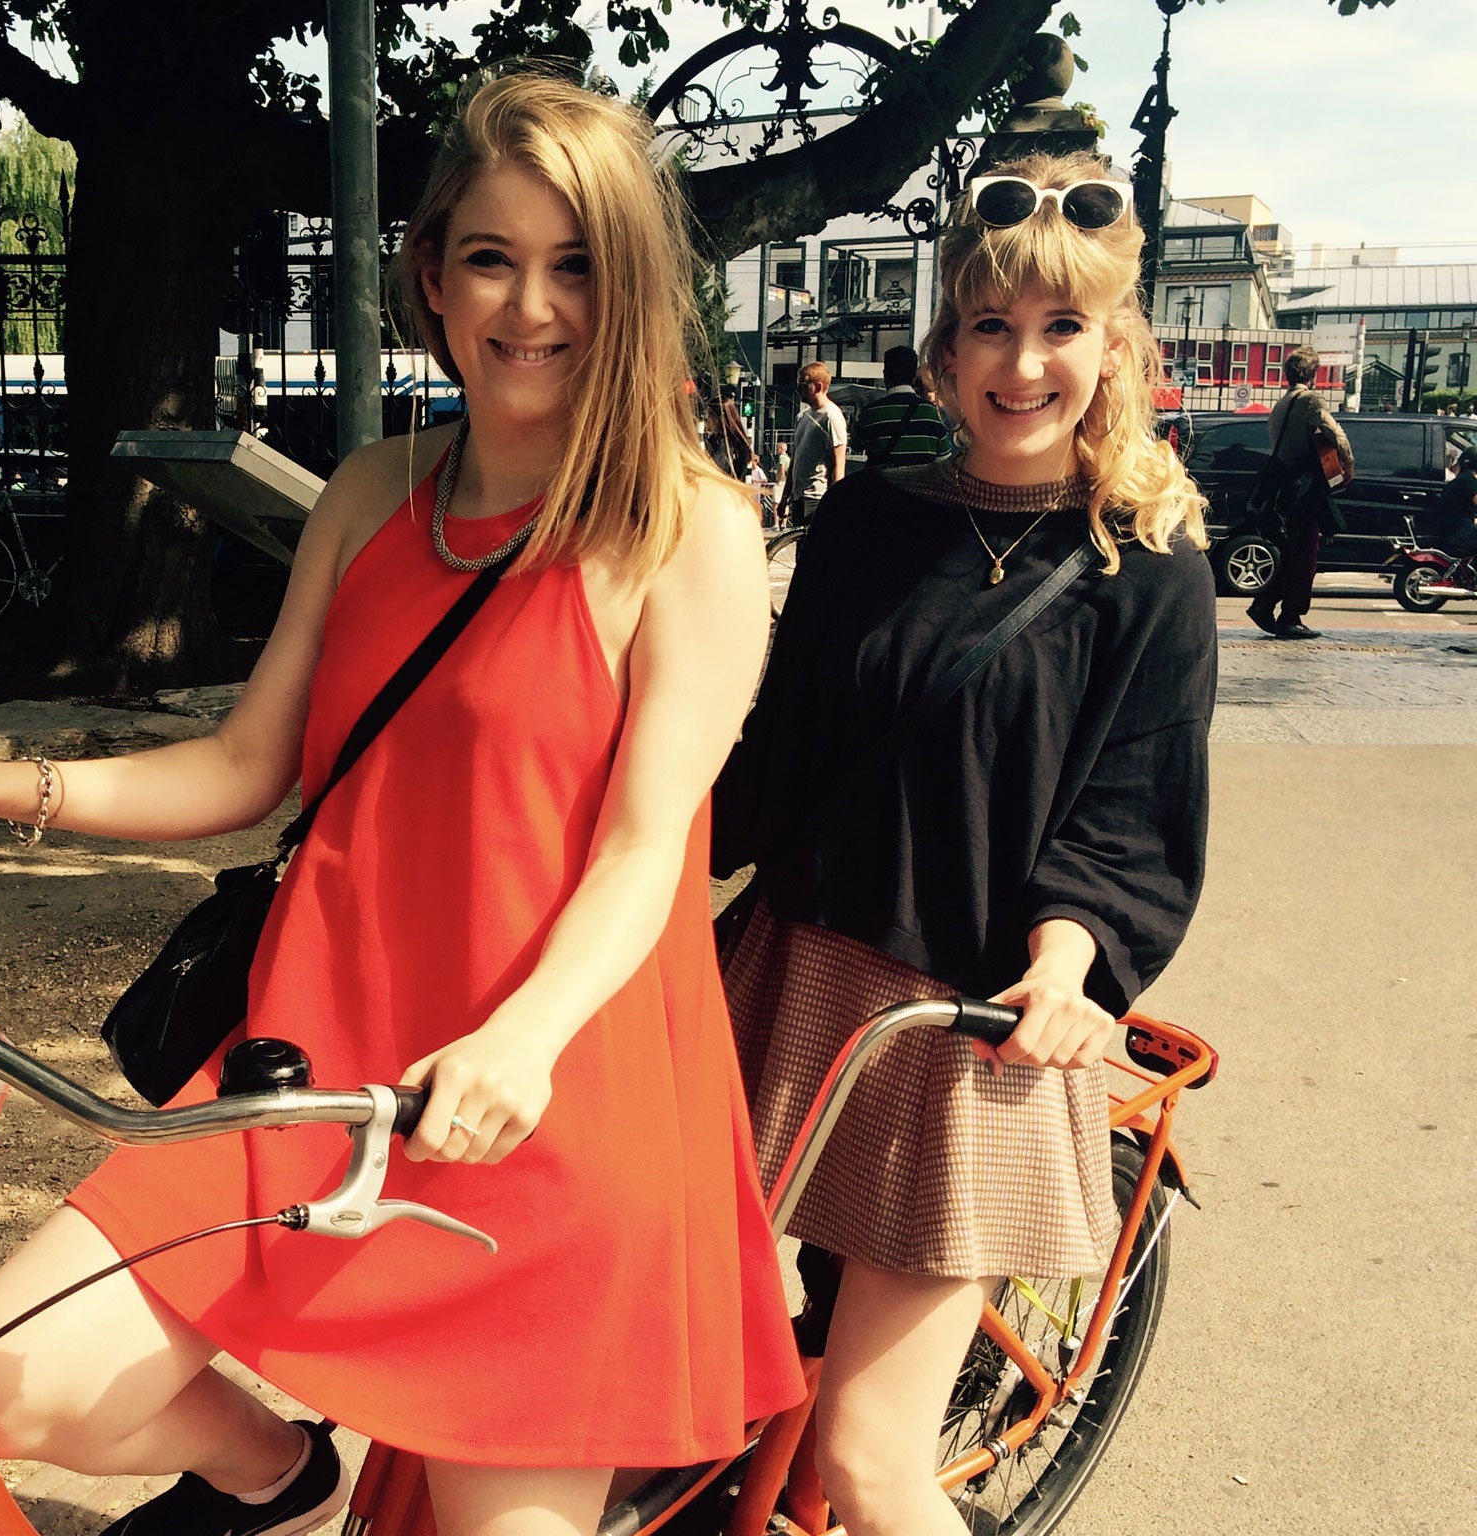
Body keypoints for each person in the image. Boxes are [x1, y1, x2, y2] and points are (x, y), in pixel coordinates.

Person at [0, 70, 801, 1536]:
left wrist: (521, 1041)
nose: (532, 308)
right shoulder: (373, 492)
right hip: (313, 1067)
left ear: (634, 287)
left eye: (578, 267)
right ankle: (281, 1480)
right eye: (493, 257)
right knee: (15, 1377)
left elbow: (642, 849)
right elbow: (247, 768)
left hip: (546, 1102)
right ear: (430, 272)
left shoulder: (693, 533)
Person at [713, 152, 1215, 1536]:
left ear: (1113, 349)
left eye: (1061, 329)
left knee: (875, 1467)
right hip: (796, 988)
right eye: (992, 325)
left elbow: (1132, 809)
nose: (1023, 363)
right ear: (947, 345)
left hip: (977, 1032)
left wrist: (1067, 968)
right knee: (683, 1373)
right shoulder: (872, 519)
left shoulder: (1149, 562)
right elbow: (778, 751)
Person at [1246, 345, 1352, 640]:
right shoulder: (1310, 400)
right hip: (1303, 489)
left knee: (1293, 552)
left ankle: (1266, 604)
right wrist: (1349, 463)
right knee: (1306, 553)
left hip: (1284, 486)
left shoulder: (1281, 405)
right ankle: (1290, 615)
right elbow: (1335, 434)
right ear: (1313, 375)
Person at [775, 361, 848, 527]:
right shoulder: (802, 417)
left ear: (818, 386)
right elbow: (795, 459)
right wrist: (785, 497)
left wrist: (835, 501)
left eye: (803, 384)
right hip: (798, 496)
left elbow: (839, 461)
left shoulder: (831, 416)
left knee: (815, 546)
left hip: (817, 496)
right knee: (801, 548)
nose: (798, 389)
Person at [853, 345, 951, 469]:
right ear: (914, 377)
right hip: (920, 486)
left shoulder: (870, 413)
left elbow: (856, 445)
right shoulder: (932, 413)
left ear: (885, 375)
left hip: (880, 485)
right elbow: (943, 458)